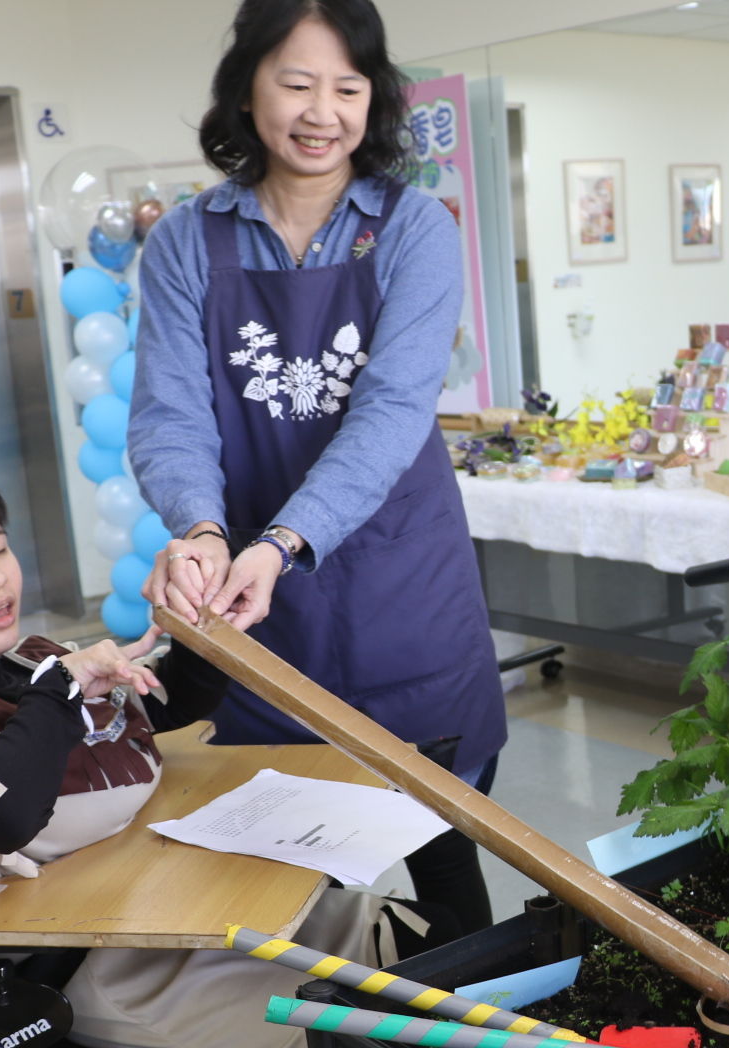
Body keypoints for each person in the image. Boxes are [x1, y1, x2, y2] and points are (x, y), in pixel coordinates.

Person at [0, 445, 445, 1048]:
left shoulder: (24, 658)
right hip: (98, 964)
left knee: (425, 942)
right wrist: (59, 691)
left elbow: (146, 713)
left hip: (171, 908)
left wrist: (201, 641)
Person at [129, 0, 504, 930]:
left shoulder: (414, 227)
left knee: (441, 847)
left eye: (346, 86)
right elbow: (172, 415)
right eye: (295, 83)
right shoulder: (187, 240)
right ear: (247, 89)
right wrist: (204, 531)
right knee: (281, 870)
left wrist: (283, 541)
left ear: (372, 99)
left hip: (398, 580)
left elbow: (391, 414)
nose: (320, 111)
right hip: (254, 598)